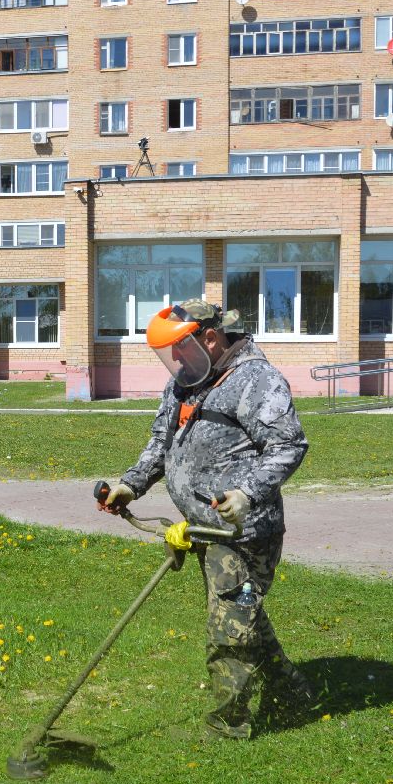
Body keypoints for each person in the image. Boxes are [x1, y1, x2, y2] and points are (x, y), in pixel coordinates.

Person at [103, 299, 315, 739]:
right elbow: (162, 440)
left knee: (230, 628)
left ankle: (228, 725)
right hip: (205, 529)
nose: (175, 360)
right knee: (239, 612)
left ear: (210, 338)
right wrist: (131, 484)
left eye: (181, 348)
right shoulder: (187, 381)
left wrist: (245, 494)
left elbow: (289, 446)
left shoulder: (257, 380)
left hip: (245, 532)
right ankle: (292, 691)